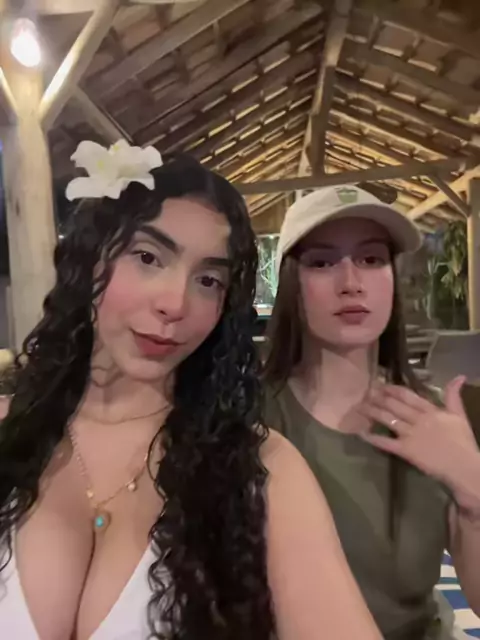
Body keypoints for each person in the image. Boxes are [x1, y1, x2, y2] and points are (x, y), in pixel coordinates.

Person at [0, 144, 382, 640]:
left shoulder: (261, 472)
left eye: (208, 280)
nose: (175, 303)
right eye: (147, 257)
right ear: (89, 259)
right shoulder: (8, 429)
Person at [263, 184, 480, 640]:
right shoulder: (251, 420)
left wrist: (472, 486)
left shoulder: (438, 419)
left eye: (371, 259)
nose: (351, 282)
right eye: (322, 263)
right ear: (291, 286)